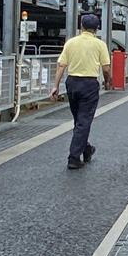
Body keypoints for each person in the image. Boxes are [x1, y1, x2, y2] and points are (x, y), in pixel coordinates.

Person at [51, 11, 112, 169]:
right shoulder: (100, 44)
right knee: (83, 122)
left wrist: (55, 86)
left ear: (81, 26)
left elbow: (61, 65)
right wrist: (108, 82)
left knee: (79, 121)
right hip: (89, 84)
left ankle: (87, 149)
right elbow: (106, 68)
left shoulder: (71, 43)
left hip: (71, 83)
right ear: (96, 28)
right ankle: (73, 157)